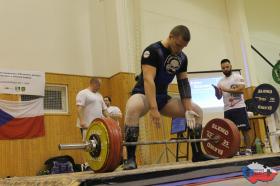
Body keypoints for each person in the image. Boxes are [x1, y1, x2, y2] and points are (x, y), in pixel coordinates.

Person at [123, 25, 214, 170]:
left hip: (163, 98)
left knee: (197, 112)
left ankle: (197, 154)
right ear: (171, 36)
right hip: (144, 95)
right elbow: (148, 80)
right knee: (132, 107)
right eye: (178, 45)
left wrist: (188, 109)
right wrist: (153, 108)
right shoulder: (152, 51)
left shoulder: (182, 58)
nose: (179, 50)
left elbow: (183, 83)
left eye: (183, 47)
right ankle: (130, 159)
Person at [213, 59, 252, 155]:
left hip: (239, 107)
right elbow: (219, 97)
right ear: (221, 69)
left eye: (227, 67)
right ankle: (236, 150)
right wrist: (217, 92)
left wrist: (225, 89)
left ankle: (248, 150)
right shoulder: (220, 81)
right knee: (231, 132)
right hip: (228, 110)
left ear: (231, 66)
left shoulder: (237, 77)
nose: (225, 69)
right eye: (223, 68)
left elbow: (241, 90)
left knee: (244, 130)